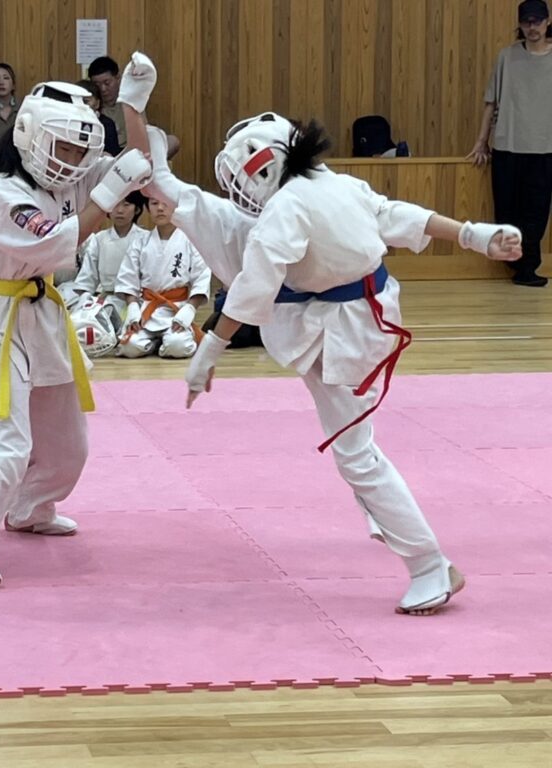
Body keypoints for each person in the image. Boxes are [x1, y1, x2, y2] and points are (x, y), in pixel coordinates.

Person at [119, 52, 523, 615]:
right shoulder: (330, 185)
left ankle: (430, 565)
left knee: (356, 454)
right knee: (167, 186)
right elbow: (399, 216)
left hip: (343, 328)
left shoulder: (286, 210)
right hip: (325, 311)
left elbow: (254, 289)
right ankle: (131, 107)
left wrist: (208, 350)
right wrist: (475, 235)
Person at [0, 80, 152, 590]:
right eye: (63, 148)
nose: (72, 161)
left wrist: (133, 104)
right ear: (31, 136)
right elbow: (56, 242)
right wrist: (108, 193)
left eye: (80, 151)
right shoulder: (2, 192)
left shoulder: (71, 178)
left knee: (68, 446)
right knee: (4, 447)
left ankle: (29, 508)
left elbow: (139, 164)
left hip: (43, 312)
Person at [467, 0, 552, 287]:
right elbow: (491, 102)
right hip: (508, 146)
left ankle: (527, 268)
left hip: (544, 149)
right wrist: (481, 142)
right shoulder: (507, 56)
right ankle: (514, 263)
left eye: (537, 21)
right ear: (520, 24)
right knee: (506, 210)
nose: (532, 27)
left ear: (547, 21)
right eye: (527, 22)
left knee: (536, 213)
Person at [115, 196, 210, 359]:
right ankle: (155, 343)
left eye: (166, 204)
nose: (160, 208)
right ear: (148, 208)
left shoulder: (191, 241)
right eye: (154, 203)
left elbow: (201, 278)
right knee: (129, 348)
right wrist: (132, 307)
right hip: (146, 311)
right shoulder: (140, 242)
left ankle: (166, 341)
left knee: (178, 347)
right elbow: (127, 279)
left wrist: (190, 309)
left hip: (176, 310)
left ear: (177, 207)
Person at [66, 191, 147, 358]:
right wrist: (84, 304)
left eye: (126, 205)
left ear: (137, 209)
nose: (120, 210)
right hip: (108, 300)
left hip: (138, 302)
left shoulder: (146, 238)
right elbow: (87, 280)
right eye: (116, 205)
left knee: (133, 340)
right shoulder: (99, 239)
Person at [76, 79, 121, 155]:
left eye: (85, 101)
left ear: (97, 103)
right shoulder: (67, 120)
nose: (81, 105)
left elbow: (112, 154)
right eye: (77, 101)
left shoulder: (107, 124)